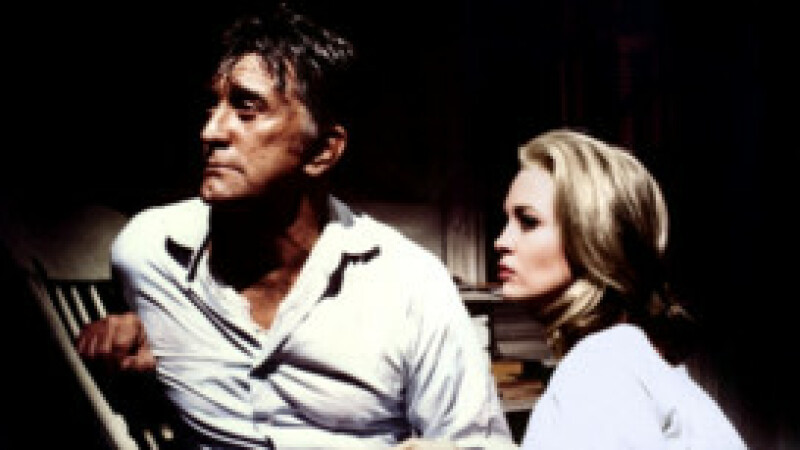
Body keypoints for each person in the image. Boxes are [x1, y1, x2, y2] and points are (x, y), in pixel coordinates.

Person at [77, 3, 514, 448]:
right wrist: (120, 338)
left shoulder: (409, 284)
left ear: (322, 151)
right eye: (212, 107)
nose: (210, 132)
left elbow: (477, 444)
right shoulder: (149, 252)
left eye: (246, 109)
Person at [494, 128, 747, 449]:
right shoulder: (631, 357)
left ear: (593, 237)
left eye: (528, 222)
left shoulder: (599, 367)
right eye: (506, 221)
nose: (501, 241)